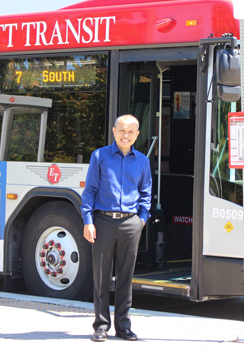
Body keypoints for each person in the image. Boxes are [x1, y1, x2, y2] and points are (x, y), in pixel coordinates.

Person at [81, 114, 152, 342]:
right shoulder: (99, 156)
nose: (126, 135)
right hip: (103, 222)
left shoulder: (142, 161)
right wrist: (88, 221)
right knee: (101, 277)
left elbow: (146, 193)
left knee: (125, 277)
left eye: (131, 132)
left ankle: (123, 326)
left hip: (131, 224)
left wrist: (141, 219)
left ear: (137, 135)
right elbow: (90, 191)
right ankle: (101, 326)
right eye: (122, 130)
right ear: (114, 131)